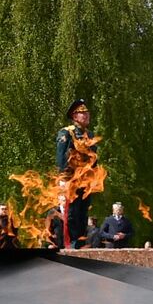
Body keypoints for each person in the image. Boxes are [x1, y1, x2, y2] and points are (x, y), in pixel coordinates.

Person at [55, 98, 98, 249]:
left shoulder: (91, 135)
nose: (86, 115)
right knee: (71, 212)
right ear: (74, 116)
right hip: (71, 180)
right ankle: (71, 243)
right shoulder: (66, 133)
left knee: (83, 211)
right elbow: (61, 158)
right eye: (82, 113)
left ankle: (80, 241)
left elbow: (94, 160)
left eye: (87, 112)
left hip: (86, 181)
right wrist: (63, 180)